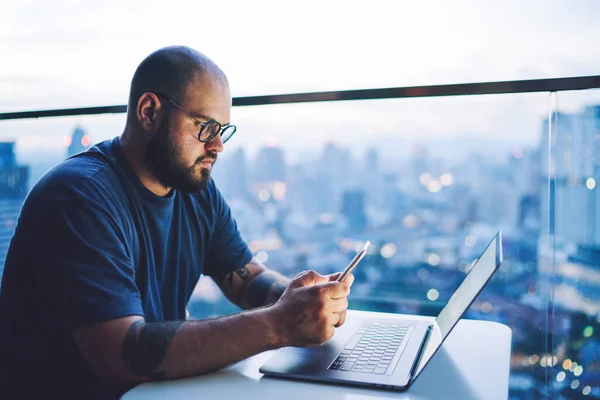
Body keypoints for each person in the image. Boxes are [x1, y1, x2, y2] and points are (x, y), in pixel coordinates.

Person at [0, 46, 353, 399]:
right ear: (149, 112)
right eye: (205, 127)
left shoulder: (194, 190)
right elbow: (124, 355)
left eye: (223, 130)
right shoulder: (80, 197)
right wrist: (279, 324)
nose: (217, 145)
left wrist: (303, 299)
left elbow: (247, 279)